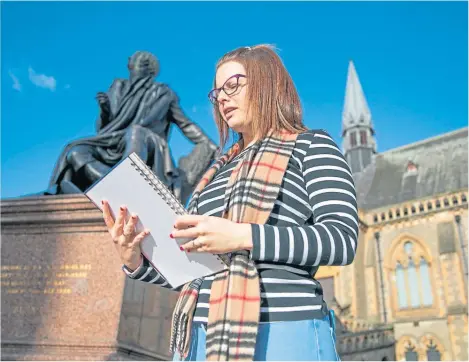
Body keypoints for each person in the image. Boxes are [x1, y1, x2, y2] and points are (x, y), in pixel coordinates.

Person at [102, 44, 358, 361]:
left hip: (281, 333)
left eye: (232, 85)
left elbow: (342, 239)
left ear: (267, 83)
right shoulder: (214, 171)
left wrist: (242, 235)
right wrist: (135, 262)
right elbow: (192, 271)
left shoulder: (311, 145)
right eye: (217, 92)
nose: (221, 97)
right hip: (199, 340)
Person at [46, 51, 217, 204]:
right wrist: (104, 110)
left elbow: (185, 124)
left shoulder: (164, 93)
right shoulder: (118, 86)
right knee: (75, 151)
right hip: (113, 141)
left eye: (135, 60)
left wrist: (209, 145)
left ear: (147, 67)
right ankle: (111, 184)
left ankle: (128, 178)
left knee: (136, 131)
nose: (131, 62)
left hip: (146, 143)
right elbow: (103, 128)